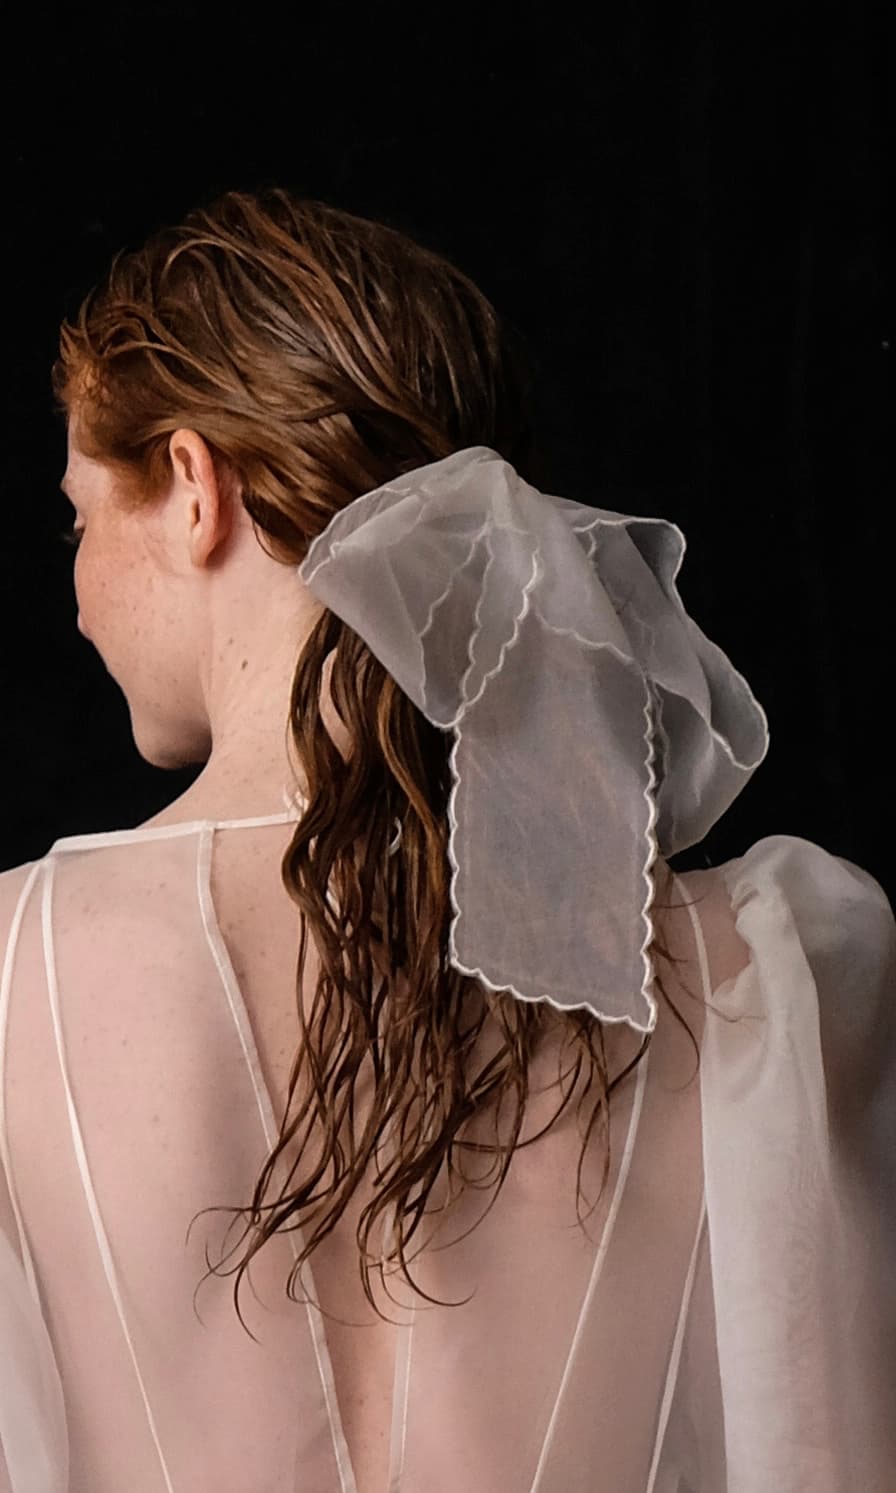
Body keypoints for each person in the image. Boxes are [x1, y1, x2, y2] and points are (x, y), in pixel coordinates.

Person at [0, 187, 893, 1492]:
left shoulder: (12, 971)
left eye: (79, 514)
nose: (74, 592)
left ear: (194, 485)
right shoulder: (758, 976)